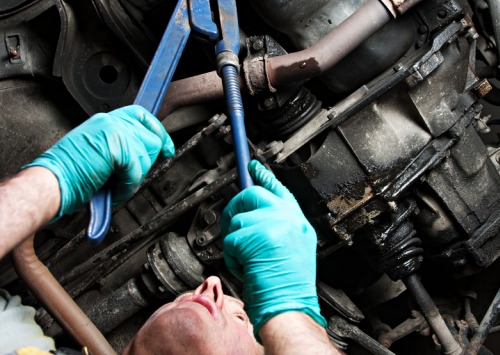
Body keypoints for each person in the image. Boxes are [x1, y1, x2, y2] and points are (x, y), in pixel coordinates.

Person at [0, 105, 339, 354]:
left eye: (243, 319)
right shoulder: (14, 333)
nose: (211, 285)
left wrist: (290, 314)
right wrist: (44, 186)